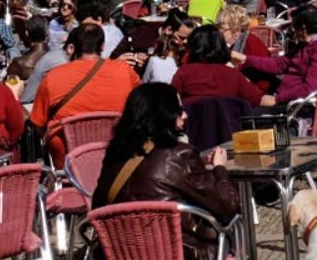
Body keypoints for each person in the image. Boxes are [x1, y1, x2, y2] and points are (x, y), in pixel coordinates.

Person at [91, 83, 239, 260]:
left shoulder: (115, 152)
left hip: (120, 253)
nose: (185, 115)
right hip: (177, 252)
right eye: (179, 109)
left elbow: (98, 205)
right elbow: (228, 206)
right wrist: (220, 168)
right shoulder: (180, 154)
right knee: (233, 230)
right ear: (163, 113)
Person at [32, 23, 141, 164]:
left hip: (69, 163)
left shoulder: (53, 77)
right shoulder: (124, 71)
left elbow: (38, 125)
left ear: (73, 47)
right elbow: (141, 106)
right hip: (114, 158)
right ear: (102, 46)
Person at [232, 4, 317, 106]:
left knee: (244, 112)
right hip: (284, 94)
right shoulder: (307, 44)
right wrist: (246, 59)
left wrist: (276, 99)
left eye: (295, 28)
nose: (294, 32)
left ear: (303, 29)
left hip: (295, 105)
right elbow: (280, 64)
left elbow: (309, 88)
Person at [172, 25, 265, 105]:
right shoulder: (232, 74)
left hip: (191, 124)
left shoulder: (184, 72)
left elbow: (172, 101)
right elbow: (256, 99)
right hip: (227, 124)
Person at [9, 16, 50, 82]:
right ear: (47, 32)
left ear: (27, 33)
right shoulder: (58, 57)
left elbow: (9, 86)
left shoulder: (19, 63)